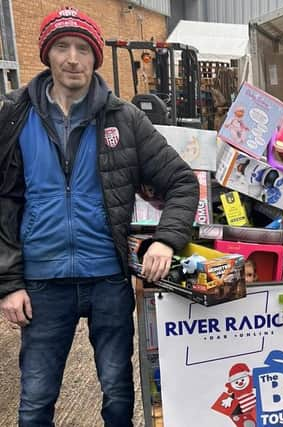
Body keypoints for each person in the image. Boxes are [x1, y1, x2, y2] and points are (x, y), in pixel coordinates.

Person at [0, 7, 198, 427]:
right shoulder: (15, 117)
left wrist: (164, 240)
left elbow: (182, 181)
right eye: (61, 47)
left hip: (107, 278)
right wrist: (8, 283)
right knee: (35, 402)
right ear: (47, 55)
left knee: (117, 394)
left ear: (95, 58)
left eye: (82, 49)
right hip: (42, 282)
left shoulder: (124, 119)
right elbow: (3, 203)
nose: (73, 58)